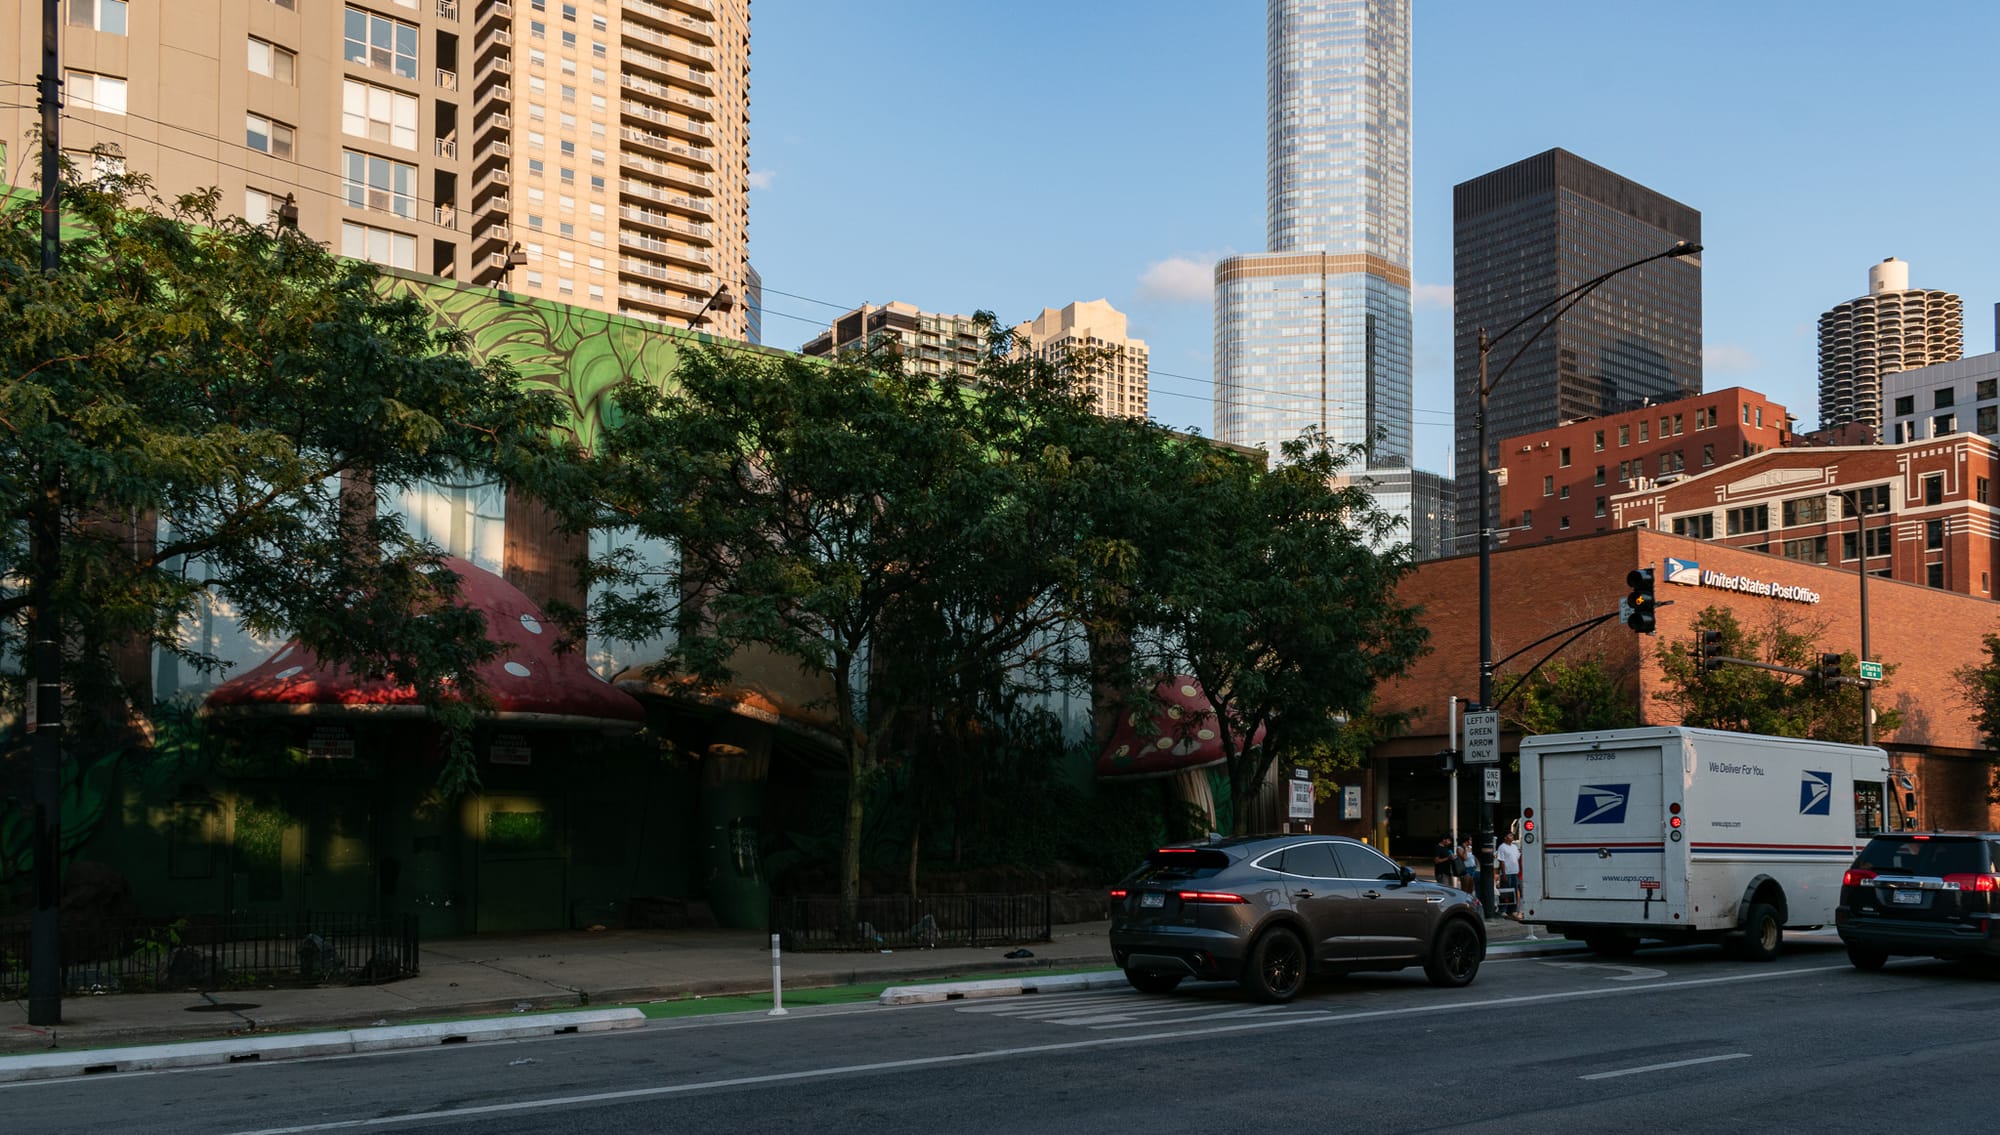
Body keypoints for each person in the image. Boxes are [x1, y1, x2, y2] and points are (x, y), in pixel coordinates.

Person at [1494, 831, 1523, 916]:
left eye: (1512, 835)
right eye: (1510, 835)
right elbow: (1501, 861)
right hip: (1507, 873)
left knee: (1513, 891)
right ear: (1505, 837)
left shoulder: (1514, 847)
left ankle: (1512, 909)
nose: (1512, 837)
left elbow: (1517, 858)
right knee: (1505, 891)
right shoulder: (1502, 847)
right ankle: (1503, 910)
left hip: (1515, 872)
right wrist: (1504, 874)